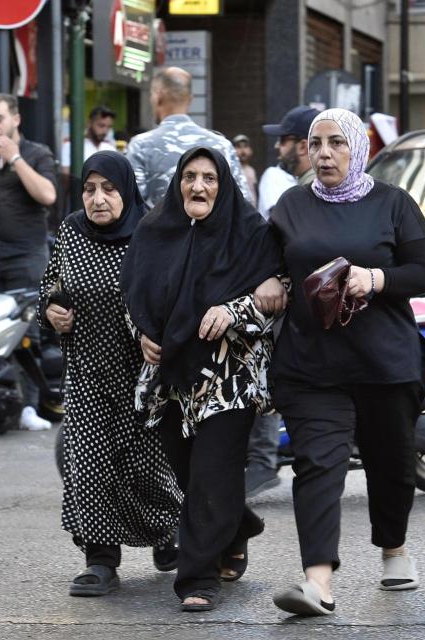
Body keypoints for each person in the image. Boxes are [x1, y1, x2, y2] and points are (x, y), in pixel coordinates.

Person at [268, 108, 425, 616]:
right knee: (316, 465)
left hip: (384, 361)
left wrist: (376, 279)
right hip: (310, 363)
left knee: (391, 465)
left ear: (358, 148)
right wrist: (269, 280)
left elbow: (422, 273)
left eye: (336, 143)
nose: (324, 153)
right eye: (316, 143)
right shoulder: (290, 206)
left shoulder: (394, 204)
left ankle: (394, 548)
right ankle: (317, 582)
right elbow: (269, 261)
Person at [121, 147, 285, 612]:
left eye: (209, 178)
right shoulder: (155, 230)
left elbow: (278, 294)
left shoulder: (250, 232)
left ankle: (198, 578)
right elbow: (132, 292)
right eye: (190, 177)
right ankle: (238, 526)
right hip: (169, 378)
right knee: (190, 474)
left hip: (228, 376)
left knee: (212, 474)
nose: (198, 186)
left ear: (224, 184)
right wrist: (142, 335)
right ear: (178, 182)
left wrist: (230, 311)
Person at [38, 151, 181, 596]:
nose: (98, 199)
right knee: (90, 463)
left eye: (109, 189)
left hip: (143, 375)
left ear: (126, 190)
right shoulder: (71, 232)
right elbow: (50, 284)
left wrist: (153, 330)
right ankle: (100, 560)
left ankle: (166, 535)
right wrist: (52, 310)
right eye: (89, 189)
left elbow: (171, 291)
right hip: (87, 372)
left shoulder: (151, 231)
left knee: (150, 464)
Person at [0, 92, 56, 431]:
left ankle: (30, 406)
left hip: (27, 257)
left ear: (16, 119)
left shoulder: (37, 154)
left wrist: (16, 159)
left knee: (28, 333)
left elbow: (48, 195)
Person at [245, 105, 321, 498]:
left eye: (285, 140)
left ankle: (262, 457)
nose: (278, 148)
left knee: (260, 352)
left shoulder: (312, 194)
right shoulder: (296, 194)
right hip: (306, 308)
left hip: (317, 317)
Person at [126, 67, 251, 207]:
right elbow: (243, 204)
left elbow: (131, 206)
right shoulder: (222, 145)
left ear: (158, 96)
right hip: (213, 229)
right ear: (190, 99)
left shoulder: (141, 146)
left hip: (159, 228)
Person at [257, 106, 320, 218]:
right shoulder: (321, 185)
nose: (276, 146)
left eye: (283, 140)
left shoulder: (313, 190)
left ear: (302, 147)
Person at [60, 104, 117, 172]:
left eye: (109, 127)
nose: (105, 131)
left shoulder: (110, 148)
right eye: (101, 125)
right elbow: (66, 175)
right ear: (89, 123)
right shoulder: (71, 147)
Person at [232, 134, 258, 206]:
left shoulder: (252, 171)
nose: (242, 150)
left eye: (245, 146)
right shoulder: (231, 171)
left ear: (250, 150)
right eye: (238, 147)